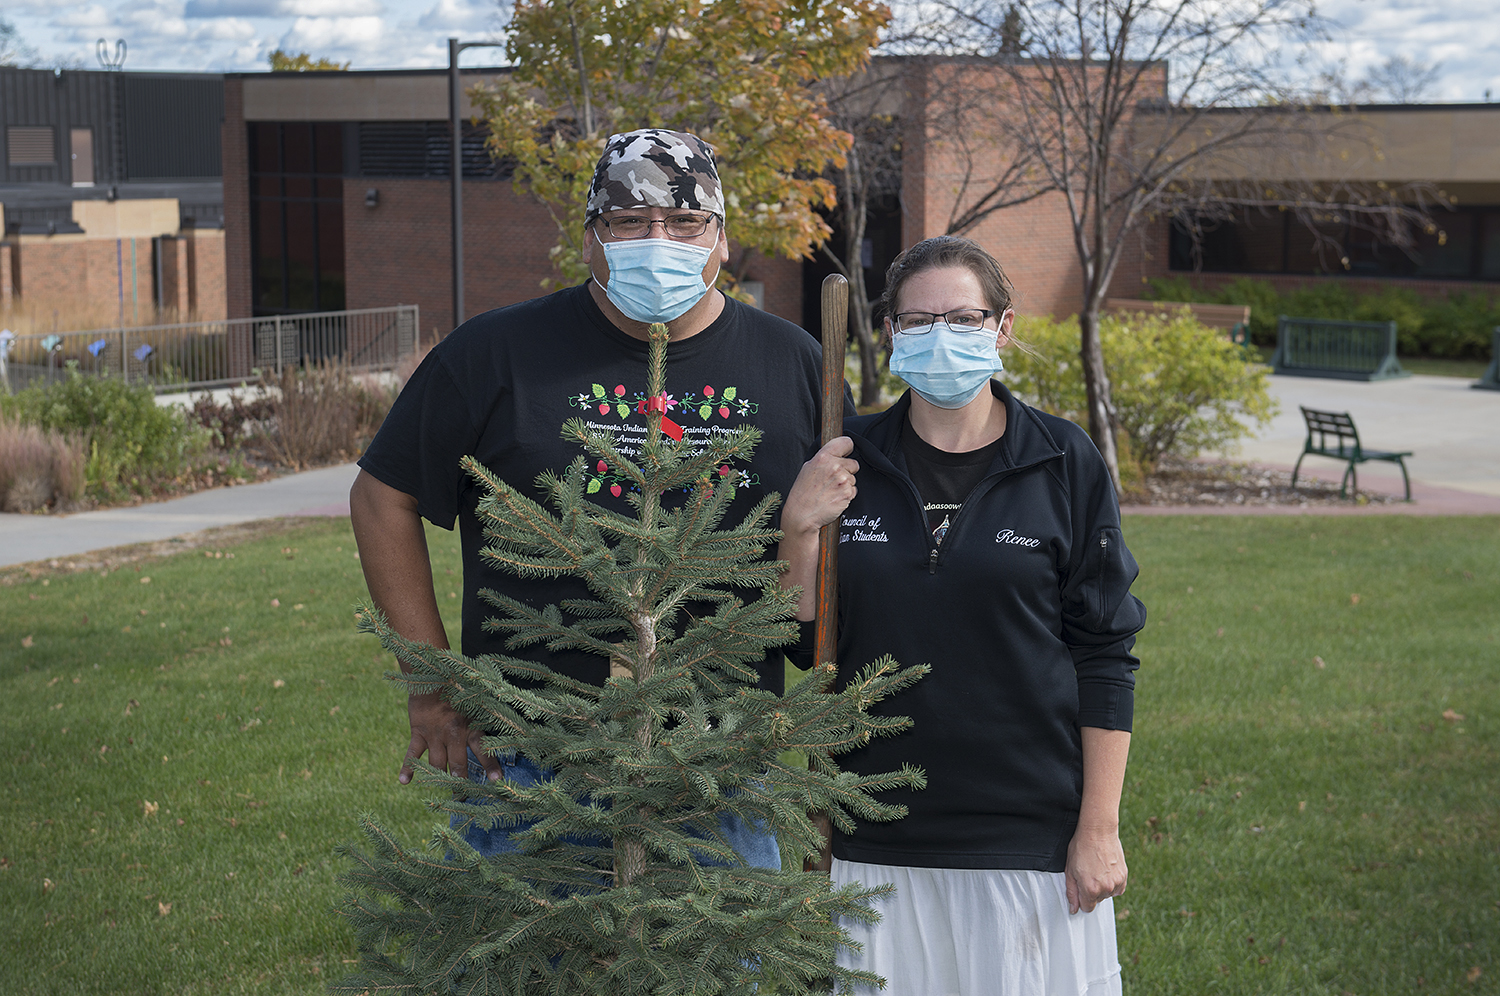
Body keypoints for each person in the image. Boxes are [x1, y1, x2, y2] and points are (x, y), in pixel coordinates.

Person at [351, 128, 842, 867]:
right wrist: (431, 682)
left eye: (684, 223)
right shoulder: (494, 354)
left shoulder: (795, 363)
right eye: (628, 222)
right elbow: (381, 494)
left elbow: (832, 532)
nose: (658, 240)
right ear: (590, 240)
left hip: (721, 763)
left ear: (721, 240)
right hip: (528, 756)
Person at [778, 235, 1147, 995]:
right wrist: (798, 529)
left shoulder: (1062, 460)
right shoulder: (847, 461)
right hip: (871, 829)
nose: (939, 335)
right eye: (917, 321)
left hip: (1027, 838)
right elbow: (799, 639)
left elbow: (1105, 652)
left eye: (963, 317)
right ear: (889, 335)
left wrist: (1098, 828)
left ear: (1003, 328)